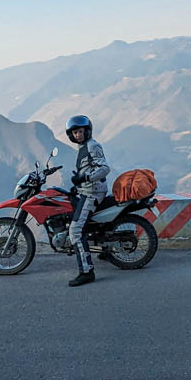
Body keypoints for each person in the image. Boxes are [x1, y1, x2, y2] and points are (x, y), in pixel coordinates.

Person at [65, 115, 110, 287]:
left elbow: (104, 168)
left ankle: (86, 272)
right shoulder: (83, 147)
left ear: (87, 130)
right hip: (87, 190)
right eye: (75, 132)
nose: (78, 135)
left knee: (75, 231)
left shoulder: (93, 145)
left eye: (80, 131)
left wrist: (86, 177)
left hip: (93, 193)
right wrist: (78, 184)